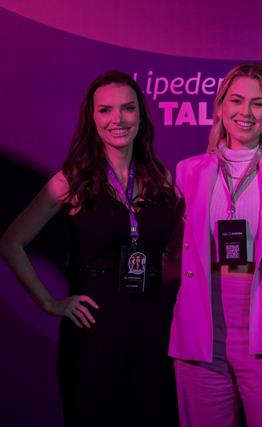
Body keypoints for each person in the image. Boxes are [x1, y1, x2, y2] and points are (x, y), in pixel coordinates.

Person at [0, 70, 182, 426]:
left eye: (128, 108)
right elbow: (11, 242)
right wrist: (49, 302)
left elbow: (177, 248)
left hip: (153, 329)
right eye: (105, 110)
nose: (118, 119)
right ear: (92, 117)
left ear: (140, 115)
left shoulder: (161, 179)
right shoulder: (72, 179)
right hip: (94, 331)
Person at [169, 62, 262, 427]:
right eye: (236, 101)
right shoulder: (189, 170)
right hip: (201, 335)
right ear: (221, 107)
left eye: (258, 103)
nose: (246, 112)